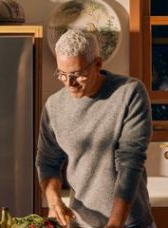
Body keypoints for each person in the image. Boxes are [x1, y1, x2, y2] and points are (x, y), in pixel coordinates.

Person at [37, 30, 154, 228]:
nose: (69, 84)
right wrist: (54, 200)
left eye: (77, 75)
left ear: (98, 64)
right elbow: (47, 161)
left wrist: (115, 224)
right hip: (81, 222)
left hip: (129, 223)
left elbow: (130, 162)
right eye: (62, 74)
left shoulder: (129, 93)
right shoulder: (54, 105)